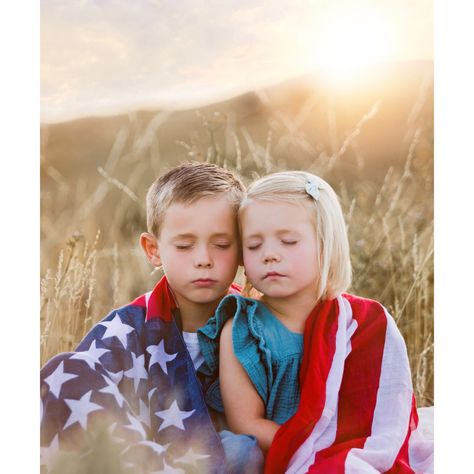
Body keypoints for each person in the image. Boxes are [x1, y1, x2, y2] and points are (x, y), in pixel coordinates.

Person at [198, 171, 433, 473]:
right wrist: (315, 449)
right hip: (276, 455)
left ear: (326, 244)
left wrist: (337, 453)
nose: (269, 254)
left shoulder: (362, 324)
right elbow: (247, 424)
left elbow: (383, 414)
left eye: (288, 241)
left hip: (347, 452)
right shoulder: (242, 329)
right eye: (254, 245)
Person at [40, 162, 263, 474]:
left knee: (242, 450)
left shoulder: (259, 325)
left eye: (222, 244)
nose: (203, 260)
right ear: (153, 250)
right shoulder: (128, 328)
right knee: (66, 370)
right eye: (185, 245)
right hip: (138, 457)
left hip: (223, 460)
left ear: (242, 248)